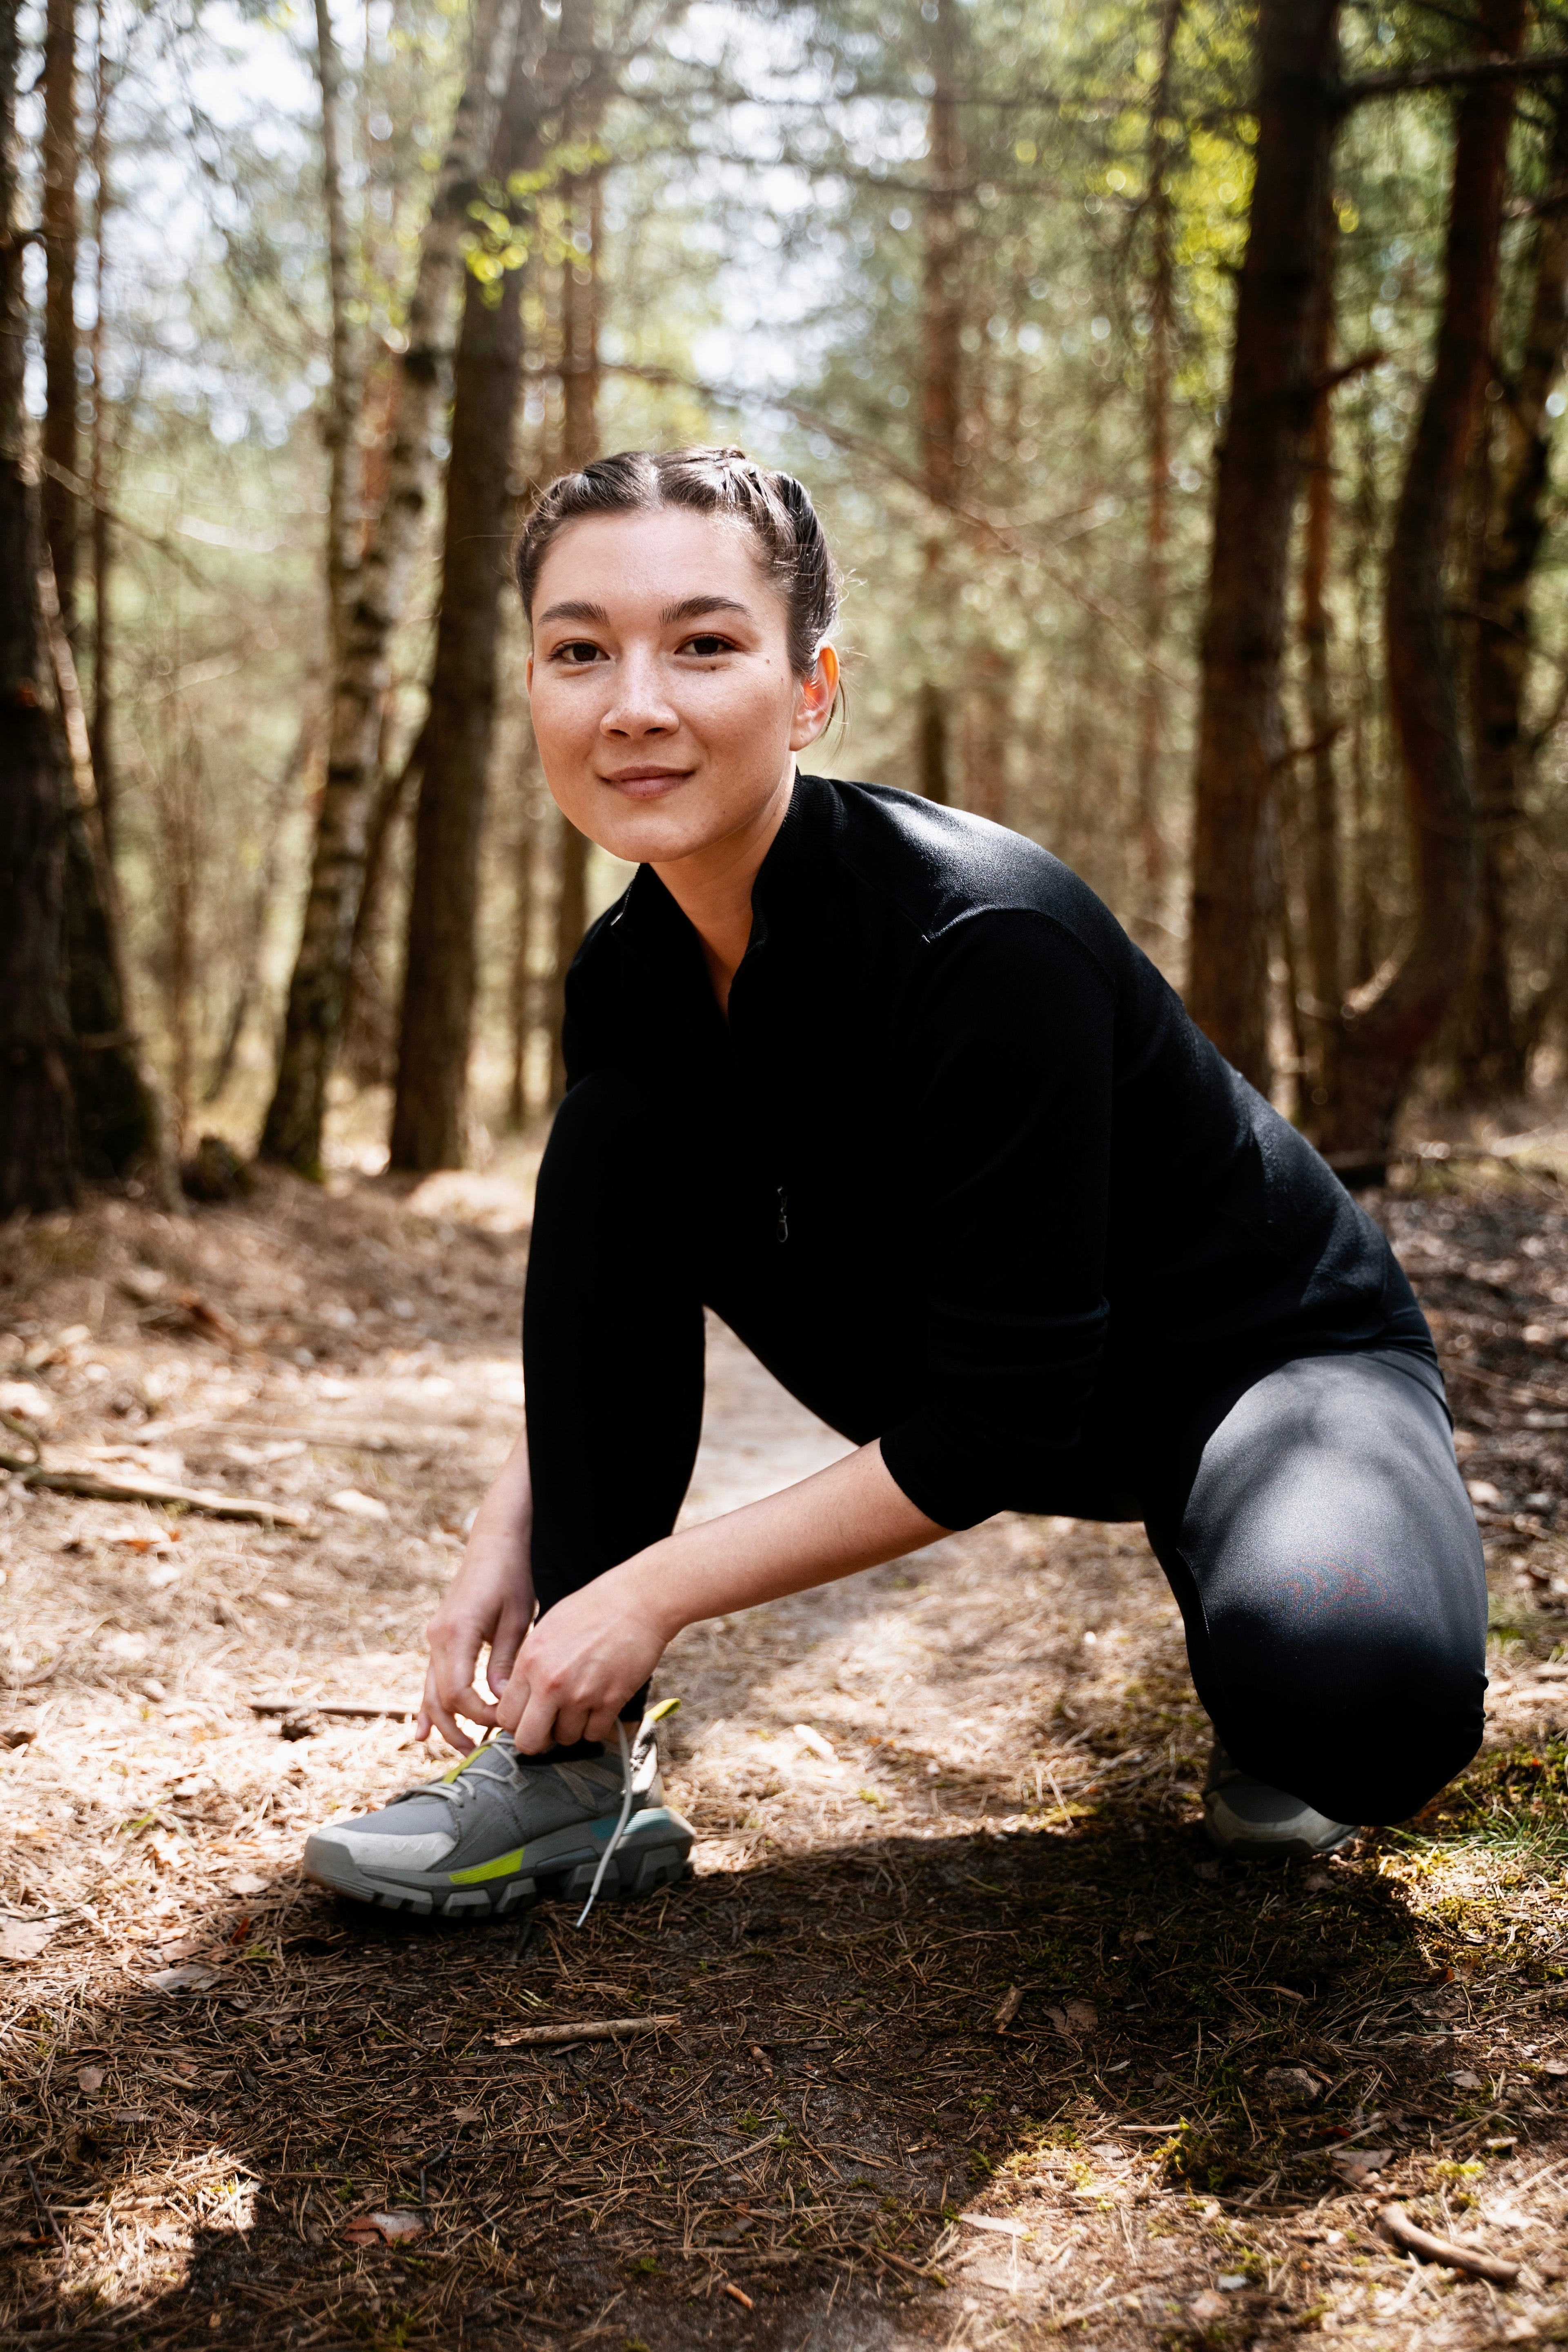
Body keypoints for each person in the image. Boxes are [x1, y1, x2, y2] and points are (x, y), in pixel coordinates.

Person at [303, 447, 1487, 1920]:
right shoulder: (627, 976)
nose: (636, 705)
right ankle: (571, 1780)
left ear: (811, 689)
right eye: (579, 651)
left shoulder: (988, 936)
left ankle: (1279, 1579)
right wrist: (523, 1530)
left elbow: (999, 1424)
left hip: (1262, 1366)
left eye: (706, 644)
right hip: (991, 1371)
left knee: (1357, 1703)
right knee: (613, 1130)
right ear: (534, 690)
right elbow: (624, 1280)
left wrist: (645, 1590)